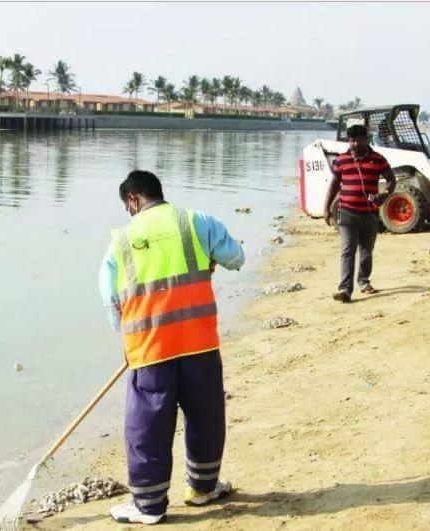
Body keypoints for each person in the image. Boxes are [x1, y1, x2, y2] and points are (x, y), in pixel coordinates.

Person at [99, 170, 245, 524]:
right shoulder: (196, 221)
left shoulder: (121, 240)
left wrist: (130, 333)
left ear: (133, 200)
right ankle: (202, 488)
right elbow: (236, 258)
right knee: (206, 417)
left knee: (147, 426)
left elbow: (111, 303)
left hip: (150, 350)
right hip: (199, 344)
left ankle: (149, 506)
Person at [323, 125, 396, 302]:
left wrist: (383, 195)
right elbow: (334, 185)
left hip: (370, 214)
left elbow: (391, 180)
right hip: (347, 212)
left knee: (366, 250)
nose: (355, 143)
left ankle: (363, 281)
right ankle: (345, 290)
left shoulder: (378, 159)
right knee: (347, 251)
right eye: (351, 140)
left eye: (358, 139)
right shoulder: (341, 160)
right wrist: (326, 208)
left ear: (366, 139)